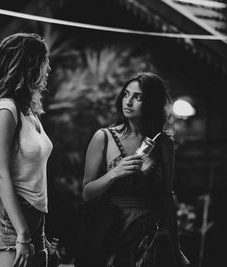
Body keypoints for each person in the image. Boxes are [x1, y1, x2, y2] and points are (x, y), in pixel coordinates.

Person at [77, 72, 188, 267]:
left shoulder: (164, 143)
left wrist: (174, 246)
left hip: (149, 232)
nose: (128, 102)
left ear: (152, 103)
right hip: (113, 228)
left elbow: (166, 196)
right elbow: (87, 193)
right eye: (126, 94)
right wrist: (114, 173)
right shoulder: (103, 137)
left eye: (138, 97)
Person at [0, 33, 53, 267]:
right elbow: (0, 173)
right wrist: (22, 232)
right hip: (8, 217)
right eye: (44, 62)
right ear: (29, 66)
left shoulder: (27, 111)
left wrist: (35, 230)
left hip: (33, 217)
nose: (48, 69)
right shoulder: (5, 109)